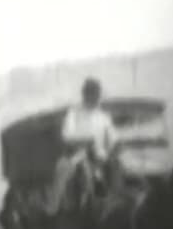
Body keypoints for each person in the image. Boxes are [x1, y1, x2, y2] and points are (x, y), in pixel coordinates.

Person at [45, 78, 125, 215]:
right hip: (78, 155)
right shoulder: (74, 113)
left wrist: (115, 148)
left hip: (100, 157)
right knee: (63, 168)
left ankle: (116, 204)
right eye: (91, 93)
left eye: (96, 93)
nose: (94, 97)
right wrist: (85, 142)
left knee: (117, 165)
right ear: (85, 94)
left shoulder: (103, 117)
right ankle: (52, 210)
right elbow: (66, 136)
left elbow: (114, 139)